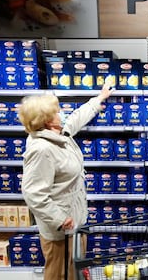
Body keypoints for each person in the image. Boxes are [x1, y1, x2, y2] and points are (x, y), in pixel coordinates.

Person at [18, 82, 114, 280]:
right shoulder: (41, 149)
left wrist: (99, 99)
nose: (60, 113)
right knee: (59, 274)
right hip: (61, 228)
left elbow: (75, 120)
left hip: (74, 222)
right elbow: (33, 193)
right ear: (46, 120)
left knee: (74, 272)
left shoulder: (59, 135)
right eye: (56, 111)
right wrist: (60, 220)